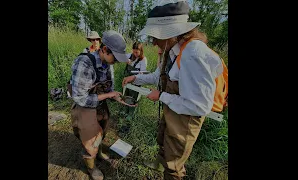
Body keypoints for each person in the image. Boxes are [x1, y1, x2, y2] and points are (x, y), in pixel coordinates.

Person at [122, 0, 225, 179]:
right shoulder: (172, 50)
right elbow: (157, 76)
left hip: (186, 119)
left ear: (170, 34)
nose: (153, 42)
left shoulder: (193, 54)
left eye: (155, 36)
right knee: (162, 140)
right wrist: (136, 77)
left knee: (174, 164)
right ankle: (159, 166)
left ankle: (169, 172)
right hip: (174, 108)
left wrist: (162, 95)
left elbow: (199, 106)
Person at [70, 30, 129, 180]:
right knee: (90, 138)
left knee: (102, 130)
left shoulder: (108, 63)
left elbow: (108, 87)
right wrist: (107, 95)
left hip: (100, 105)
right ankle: (91, 167)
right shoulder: (84, 62)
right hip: (84, 107)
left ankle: (100, 153)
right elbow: (79, 97)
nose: (115, 61)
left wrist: (114, 96)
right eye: (114, 58)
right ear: (104, 49)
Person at [121, 42, 148, 120]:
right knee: (126, 95)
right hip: (126, 81)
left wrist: (140, 73)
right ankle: (125, 111)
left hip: (136, 82)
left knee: (133, 98)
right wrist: (126, 60)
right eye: (134, 51)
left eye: (137, 52)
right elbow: (122, 57)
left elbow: (143, 72)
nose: (135, 53)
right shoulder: (130, 55)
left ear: (141, 51)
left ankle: (131, 114)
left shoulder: (143, 60)